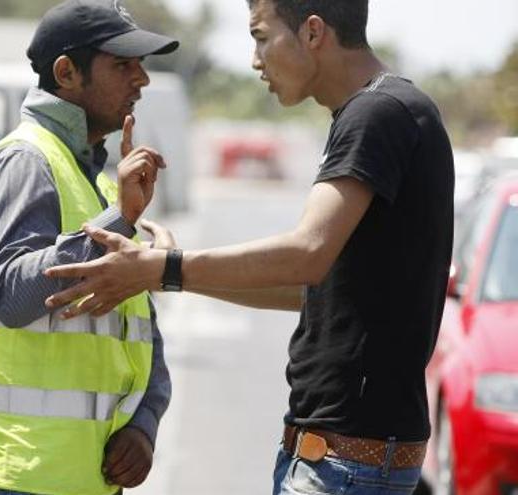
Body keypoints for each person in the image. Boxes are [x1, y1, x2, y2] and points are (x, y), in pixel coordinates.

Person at [44, 0, 455, 493]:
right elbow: (310, 287)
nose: (255, 59)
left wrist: (162, 269)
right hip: (343, 458)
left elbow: (306, 253)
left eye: (261, 36)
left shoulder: (377, 114)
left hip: (347, 462)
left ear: (314, 32)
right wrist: (170, 273)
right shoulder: (385, 110)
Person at [0, 1, 179, 495]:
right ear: (66, 72)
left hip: (78, 478)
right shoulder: (24, 162)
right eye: (122, 65)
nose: (142, 80)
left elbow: (139, 332)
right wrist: (120, 220)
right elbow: (15, 297)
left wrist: (143, 424)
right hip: (16, 474)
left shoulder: (99, 184)